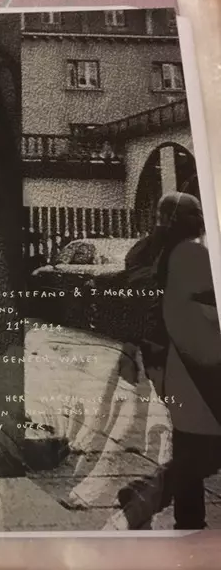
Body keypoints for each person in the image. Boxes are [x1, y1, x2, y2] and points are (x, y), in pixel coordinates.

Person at [115, 192, 221, 530]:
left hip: (162, 362)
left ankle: (186, 517)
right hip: (191, 363)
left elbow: (135, 310)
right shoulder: (187, 255)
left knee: (191, 440)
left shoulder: (143, 253)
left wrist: (131, 350)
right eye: (196, 215)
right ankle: (149, 498)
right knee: (204, 447)